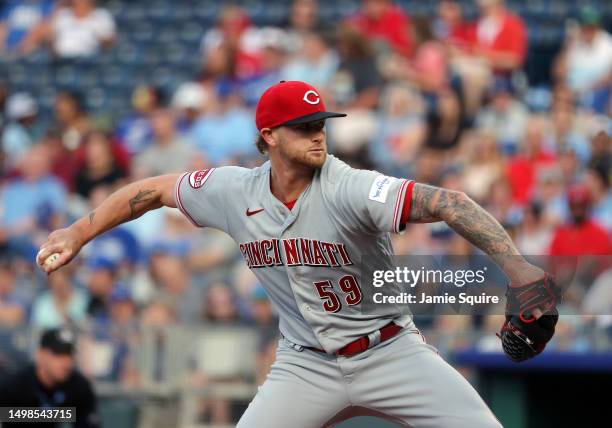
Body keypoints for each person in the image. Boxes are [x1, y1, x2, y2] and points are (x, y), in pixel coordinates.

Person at [38, 80, 560, 427]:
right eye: (304, 127)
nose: (318, 134)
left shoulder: (349, 186)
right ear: (268, 136)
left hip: (390, 351)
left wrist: (516, 267)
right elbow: (151, 190)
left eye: (321, 124)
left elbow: (449, 202)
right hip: (303, 365)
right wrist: (79, 232)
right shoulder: (233, 191)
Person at [0, 328, 99, 428]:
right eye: (58, 355)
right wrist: (58, 414)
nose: (66, 362)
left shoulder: (79, 386)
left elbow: (88, 422)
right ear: (40, 355)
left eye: (69, 355)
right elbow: (6, 417)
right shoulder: (15, 385)